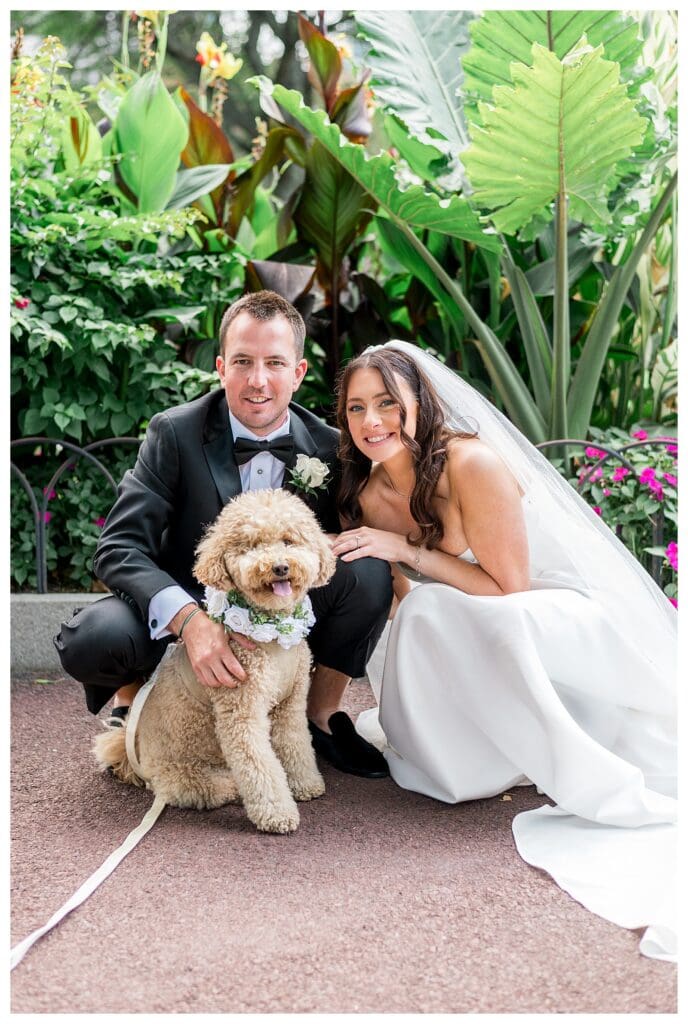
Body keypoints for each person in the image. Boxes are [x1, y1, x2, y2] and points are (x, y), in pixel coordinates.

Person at [330, 341, 677, 961]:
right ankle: (469, 750)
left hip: (546, 612)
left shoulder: (473, 464)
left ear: (419, 402)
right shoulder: (369, 495)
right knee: (425, 615)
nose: (371, 421)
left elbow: (511, 589)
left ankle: (559, 748)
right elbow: (400, 600)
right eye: (357, 408)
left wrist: (407, 550)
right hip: (464, 625)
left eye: (387, 403)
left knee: (446, 611)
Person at [54, 291, 392, 778]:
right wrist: (190, 621)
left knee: (370, 572)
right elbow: (118, 547)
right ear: (220, 368)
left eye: (275, 363)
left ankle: (318, 715)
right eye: (243, 362)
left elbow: (348, 541)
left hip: (282, 601)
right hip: (190, 594)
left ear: (298, 373)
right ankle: (136, 703)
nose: (258, 380)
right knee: (94, 638)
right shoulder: (174, 432)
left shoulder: (330, 447)